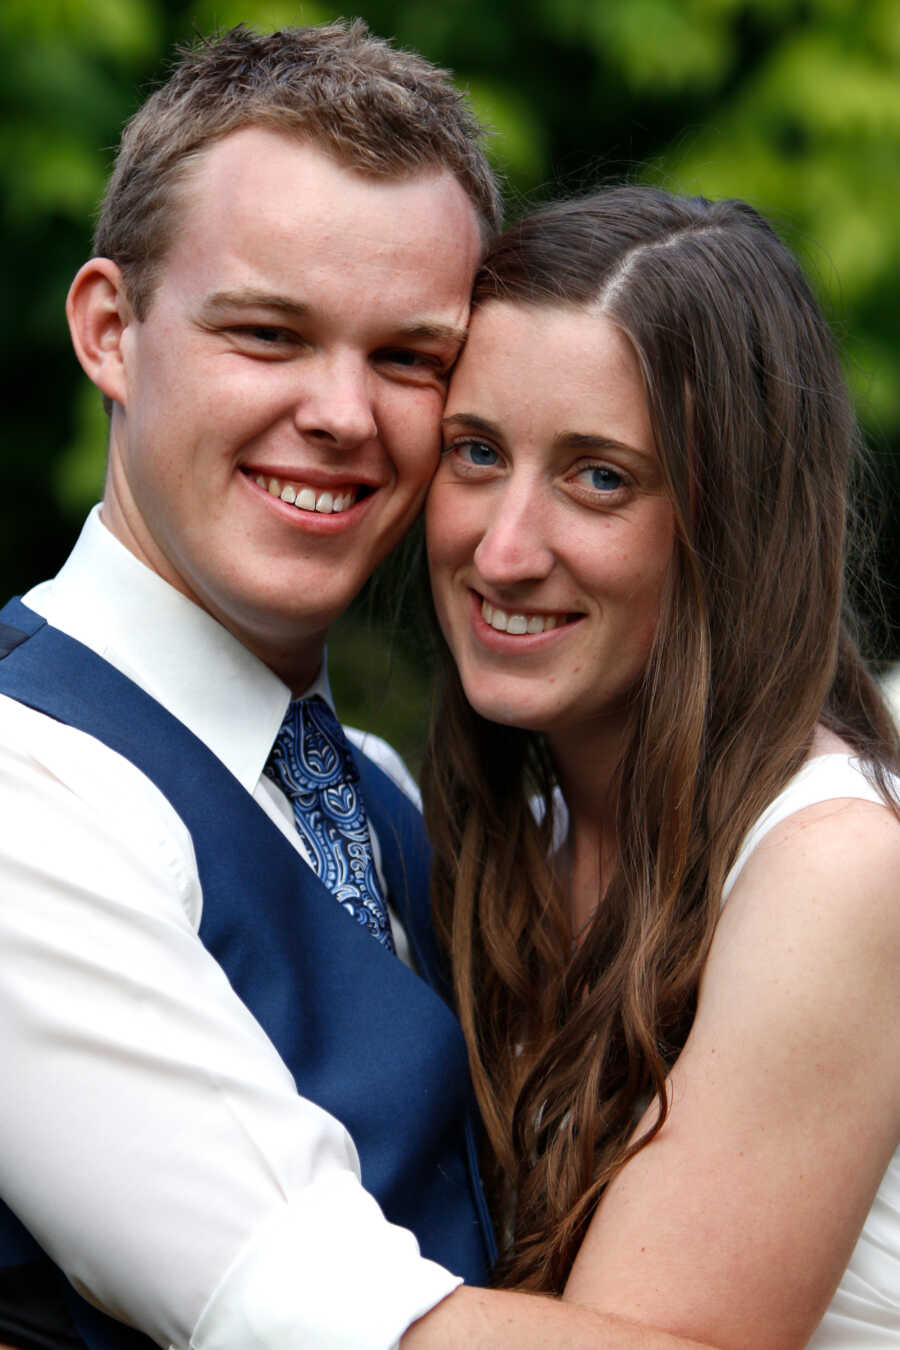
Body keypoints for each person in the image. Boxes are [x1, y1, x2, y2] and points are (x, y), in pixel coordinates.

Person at [0, 24, 727, 1350]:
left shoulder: (384, 794)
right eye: (269, 334)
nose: (343, 412)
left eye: (408, 358)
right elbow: (317, 1317)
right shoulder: (25, 795)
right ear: (111, 330)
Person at [423, 186, 900, 1348]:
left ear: (731, 520)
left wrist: (228, 1269)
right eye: (477, 453)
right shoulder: (507, 840)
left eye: (599, 477)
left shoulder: (832, 869)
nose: (502, 549)